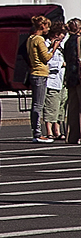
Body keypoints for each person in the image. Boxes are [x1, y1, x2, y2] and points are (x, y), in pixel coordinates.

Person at [27, 15, 59, 143]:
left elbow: (39, 54)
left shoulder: (31, 38)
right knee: (38, 105)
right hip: (40, 73)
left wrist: (50, 47)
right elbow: (45, 58)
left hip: (34, 72)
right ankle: (38, 133)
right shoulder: (39, 39)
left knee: (35, 104)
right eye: (47, 26)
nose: (48, 29)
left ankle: (36, 131)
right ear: (42, 26)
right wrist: (54, 48)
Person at [44, 23, 68, 140]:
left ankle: (57, 130)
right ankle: (49, 130)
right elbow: (47, 62)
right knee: (51, 106)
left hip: (62, 80)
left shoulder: (61, 46)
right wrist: (61, 64)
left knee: (61, 106)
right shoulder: (46, 45)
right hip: (52, 80)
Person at [65, 19, 81, 143]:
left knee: (73, 107)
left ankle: (72, 135)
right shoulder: (79, 40)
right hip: (79, 75)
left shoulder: (68, 41)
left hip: (71, 76)